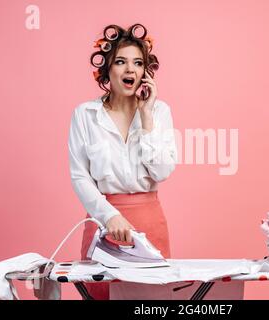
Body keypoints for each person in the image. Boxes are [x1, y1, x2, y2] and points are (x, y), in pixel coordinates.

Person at [67, 23, 178, 300]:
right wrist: (109, 215)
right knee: (102, 295)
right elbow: (80, 176)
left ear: (145, 72)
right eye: (121, 62)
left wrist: (148, 116)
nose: (130, 70)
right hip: (104, 222)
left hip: (150, 221)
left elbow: (162, 171)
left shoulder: (160, 111)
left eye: (138, 63)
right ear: (107, 70)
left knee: (151, 301)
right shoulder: (85, 115)